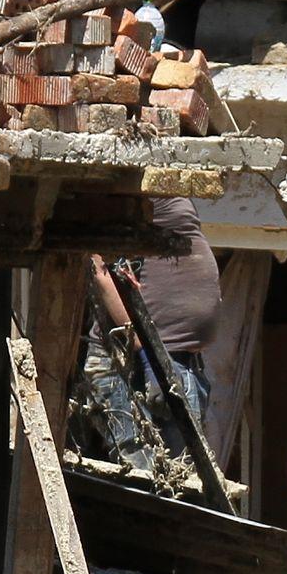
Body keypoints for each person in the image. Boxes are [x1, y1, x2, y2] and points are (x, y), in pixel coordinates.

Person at [81, 199, 219, 473]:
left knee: (183, 485)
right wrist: (146, 353)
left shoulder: (170, 179)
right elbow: (100, 270)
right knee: (146, 481)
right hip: (134, 366)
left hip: (179, 364)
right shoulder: (129, 184)